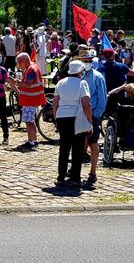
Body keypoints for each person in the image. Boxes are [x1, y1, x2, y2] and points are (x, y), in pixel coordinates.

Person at [52, 60, 92, 188]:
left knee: (64, 148)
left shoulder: (61, 83)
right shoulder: (82, 84)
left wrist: (56, 118)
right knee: (77, 148)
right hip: (76, 117)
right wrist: (89, 121)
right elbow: (86, 104)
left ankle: (61, 176)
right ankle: (75, 177)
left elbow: (55, 102)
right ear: (80, 72)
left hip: (62, 116)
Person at [79, 50, 107, 185]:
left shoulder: (97, 77)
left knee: (93, 142)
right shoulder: (79, 75)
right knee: (79, 142)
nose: (87, 63)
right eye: (84, 61)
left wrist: (96, 115)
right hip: (79, 114)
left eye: (89, 61)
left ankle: (93, 172)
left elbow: (102, 98)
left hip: (93, 114)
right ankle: (75, 169)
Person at [13, 52, 46, 150]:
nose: (19, 66)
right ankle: (32, 139)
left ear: (24, 60)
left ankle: (31, 141)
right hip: (30, 99)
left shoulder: (31, 69)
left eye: (19, 63)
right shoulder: (29, 68)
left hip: (31, 99)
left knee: (28, 121)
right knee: (30, 121)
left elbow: (28, 84)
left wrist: (17, 82)